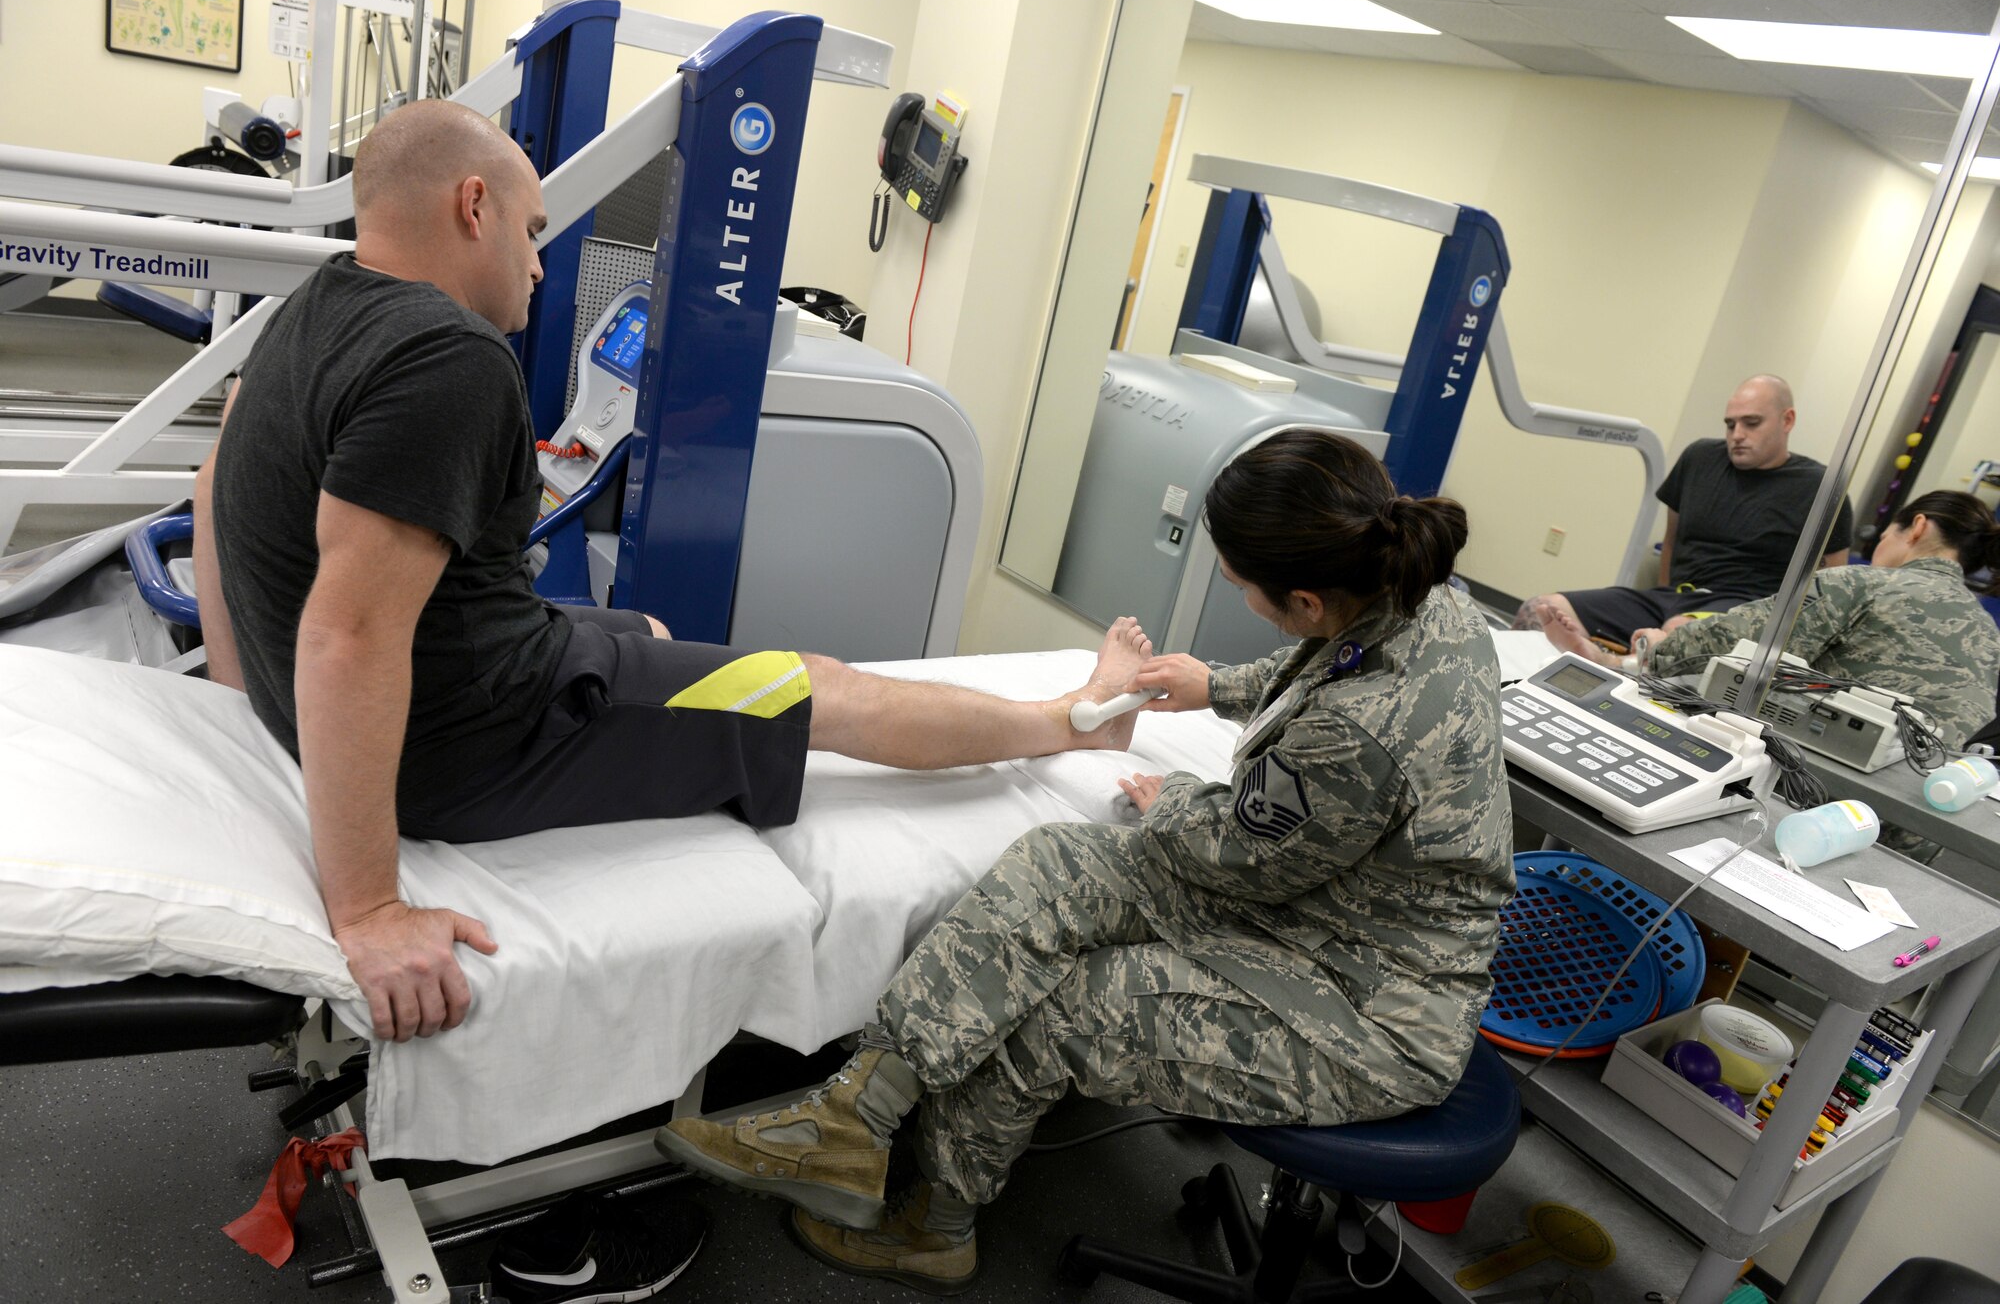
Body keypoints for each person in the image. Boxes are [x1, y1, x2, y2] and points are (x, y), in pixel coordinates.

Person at [194, 100, 1158, 1050]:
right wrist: (366, 908)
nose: (536, 262)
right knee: (813, 684)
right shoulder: (451, 359)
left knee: (645, 630)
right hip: (475, 742)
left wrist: (247, 698)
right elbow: (350, 635)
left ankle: (656, 696)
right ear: (472, 206)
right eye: (531, 233)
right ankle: (1073, 719)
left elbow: (214, 487)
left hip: (458, 674)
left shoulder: (313, 307)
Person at [654, 429, 1515, 1294]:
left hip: (1370, 1004)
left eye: (1239, 579)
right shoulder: (1422, 592)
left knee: (1075, 1005)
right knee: (1059, 863)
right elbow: (1336, 659)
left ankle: (938, 1227)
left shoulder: (1356, 735)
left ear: (1304, 595)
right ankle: (853, 1116)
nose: (1225, 580)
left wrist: (1170, 800)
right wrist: (1221, 685)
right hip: (1318, 905)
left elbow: (1242, 853)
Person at [1533, 490, 2000, 751]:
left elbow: (1742, 636)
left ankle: (1609, 665)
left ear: (1916, 527)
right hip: (1916, 817)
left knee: (1708, 669)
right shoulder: (1988, 634)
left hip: (1812, 775)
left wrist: (1651, 648)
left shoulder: (1868, 584)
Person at [1518, 375, 1854, 648]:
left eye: (1751, 423)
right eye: (1730, 424)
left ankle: (1607, 660)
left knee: (1677, 632)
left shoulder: (1821, 488)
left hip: (1746, 610)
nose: (1737, 435)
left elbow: (1831, 587)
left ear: (1787, 420)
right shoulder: (1700, 459)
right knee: (1540, 609)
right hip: (1674, 599)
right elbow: (1672, 540)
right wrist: (1666, 601)